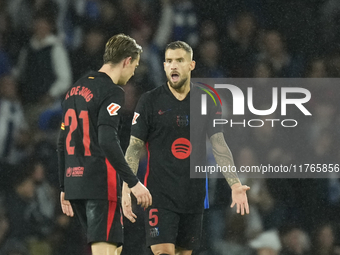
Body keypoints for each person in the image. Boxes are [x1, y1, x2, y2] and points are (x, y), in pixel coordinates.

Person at [122, 41, 250, 255]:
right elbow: (134, 147)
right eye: (169, 61)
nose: (173, 66)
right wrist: (127, 187)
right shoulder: (149, 101)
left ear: (191, 65)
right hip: (159, 195)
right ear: (163, 66)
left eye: (179, 61)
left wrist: (235, 184)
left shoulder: (207, 100)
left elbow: (218, 144)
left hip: (193, 195)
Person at [57, 33, 152, 255]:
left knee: (113, 249)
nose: (132, 74)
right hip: (101, 183)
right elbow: (107, 140)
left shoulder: (73, 91)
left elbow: (62, 142)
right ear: (126, 61)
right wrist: (133, 182)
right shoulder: (112, 92)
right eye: (134, 67)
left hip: (75, 183)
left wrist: (63, 186)